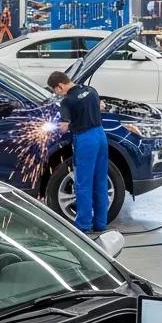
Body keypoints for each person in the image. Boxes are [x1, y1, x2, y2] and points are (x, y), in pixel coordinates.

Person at [47, 70, 108, 235]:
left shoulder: (67, 102)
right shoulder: (91, 90)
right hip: (101, 136)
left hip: (86, 140)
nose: (57, 94)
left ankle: (83, 225)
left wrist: (57, 127)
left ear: (60, 86)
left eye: (56, 91)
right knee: (100, 181)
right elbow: (100, 106)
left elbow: (65, 125)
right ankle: (101, 224)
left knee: (83, 183)